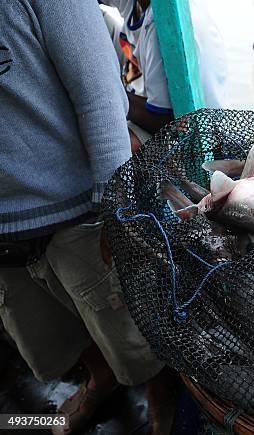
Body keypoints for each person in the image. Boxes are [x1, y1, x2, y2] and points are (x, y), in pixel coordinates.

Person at [0, 1, 172, 434]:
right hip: (6, 232)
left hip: (77, 212)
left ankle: (161, 413)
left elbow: (100, 97)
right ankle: (101, 379)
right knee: (48, 338)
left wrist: (116, 211)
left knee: (135, 337)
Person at [99, 0, 228, 146]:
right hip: (148, 93)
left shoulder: (162, 23)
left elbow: (163, 121)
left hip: (189, 138)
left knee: (110, 139)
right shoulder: (137, 4)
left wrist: (108, 96)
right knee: (94, 15)